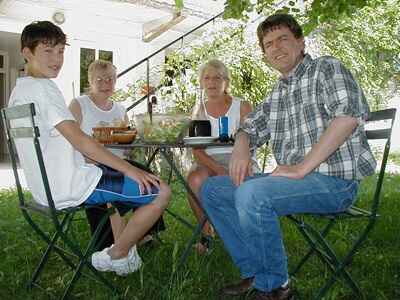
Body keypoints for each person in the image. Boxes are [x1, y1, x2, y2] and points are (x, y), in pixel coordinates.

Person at [200, 14, 376, 300]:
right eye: (268, 44)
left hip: (334, 182)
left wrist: (301, 168)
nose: (276, 47)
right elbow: (249, 127)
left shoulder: (326, 68)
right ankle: (255, 272)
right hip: (293, 180)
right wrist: (243, 143)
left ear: (301, 42)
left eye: (283, 38)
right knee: (213, 189)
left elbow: (348, 117)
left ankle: (274, 289)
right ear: (265, 54)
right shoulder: (277, 92)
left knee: (253, 193)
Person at [9, 20, 171, 276]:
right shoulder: (44, 89)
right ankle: (116, 254)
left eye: (61, 51)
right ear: (27, 52)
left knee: (135, 181)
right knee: (161, 192)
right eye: (48, 51)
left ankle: (122, 246)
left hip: (44, 188)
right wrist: (130, 170)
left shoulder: (20, 90)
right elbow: (81, 140)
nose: (57, 59)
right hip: (69, 185)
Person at [69, 59, 165, 250]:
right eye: (100, 80)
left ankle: (144, 232)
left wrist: (130, 142)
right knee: (101, 187)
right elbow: (70, 138)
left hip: (119, 162)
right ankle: (108, 244)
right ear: (90, 80)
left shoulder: (120, 109)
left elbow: (127, 140)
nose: (106, 84)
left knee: (147, 176)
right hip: (90, 164)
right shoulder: (79, 104)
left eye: (110, 79)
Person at [186, 59, 255, 254]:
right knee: (194, 179)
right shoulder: (199, 110)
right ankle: (207, 235)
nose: (212, 82)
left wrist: (234, 166)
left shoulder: (242, 106)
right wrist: (219, 170)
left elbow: (252, 141)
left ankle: (245, 233)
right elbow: (198, 151)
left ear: (226, 82)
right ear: (201, 82)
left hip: (240, 158)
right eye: (207, 78)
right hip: (209, 161)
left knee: (241, 179)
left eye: (217, 77)